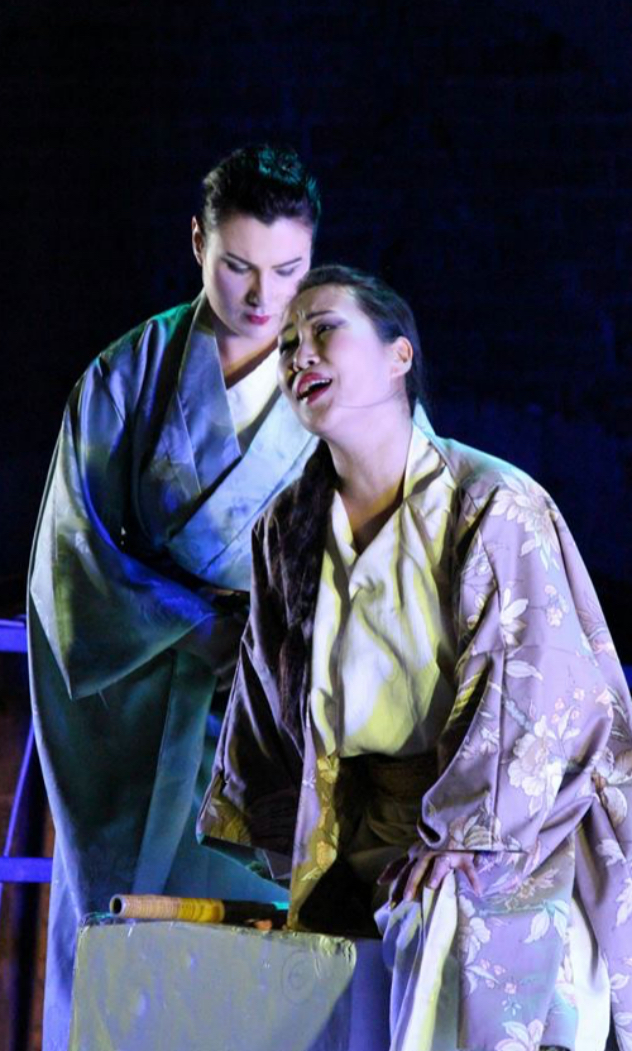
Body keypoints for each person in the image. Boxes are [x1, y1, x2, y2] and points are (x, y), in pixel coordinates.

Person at [198, 265, 632, 1051]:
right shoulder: (285, 531)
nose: (299, 355)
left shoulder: (491, 503)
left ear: (399, 356)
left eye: (323, 330)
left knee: (448, 923)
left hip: (517, 838)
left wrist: (461, 832)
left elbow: (536, 696)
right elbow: (264, 708)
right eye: (287, 344)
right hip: (363, 833)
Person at [28, 144, 321, 1051]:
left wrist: (284, 650)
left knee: (263, 969)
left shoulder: (339, 374)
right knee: (127, 948)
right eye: (237, 266)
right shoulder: (126, 378)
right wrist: (196, 629)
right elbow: (72, 555)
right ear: (198, 243)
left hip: (272, 719)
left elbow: (397, 535)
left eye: (288, 271)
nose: (262, 297)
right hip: (144, 704)